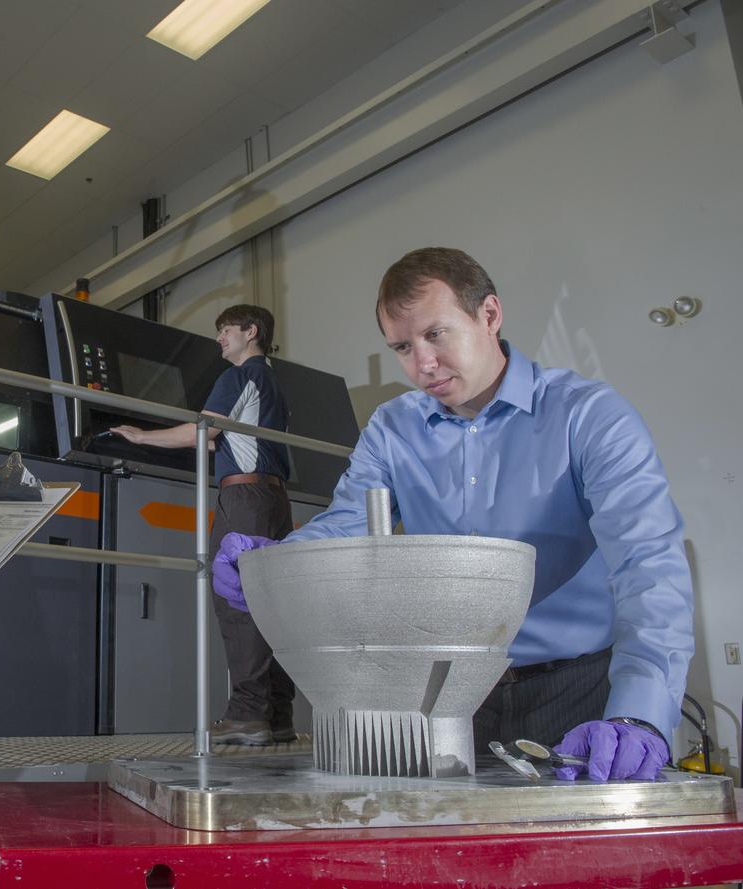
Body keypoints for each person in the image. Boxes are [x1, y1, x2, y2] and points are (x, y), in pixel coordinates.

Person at [212, 248, 693, 782]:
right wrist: (278, 559)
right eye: (402, 346)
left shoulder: (587, 415)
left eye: (436, 335)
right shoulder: (392, 428)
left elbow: (648, 565)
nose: (422, 365)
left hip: (578, 691)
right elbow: (348, 521)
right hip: (448, 695)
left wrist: (638, 714)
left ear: (489, 315)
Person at [111, 305, 297, 746]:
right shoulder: (272, 384)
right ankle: (278, 713)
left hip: (243, 498)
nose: (219, 339)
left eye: (225, 330)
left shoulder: (237, 376)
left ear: (250, 332)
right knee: (274, 602)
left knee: (236, 599)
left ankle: (249, 714)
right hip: (276, 499)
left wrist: (140, 435)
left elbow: (201, 432)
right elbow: (246, 437)